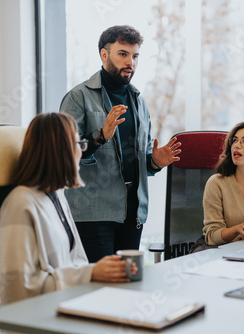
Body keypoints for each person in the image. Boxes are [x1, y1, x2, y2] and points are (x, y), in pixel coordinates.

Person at [60, 25, 181, 262]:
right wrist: (101, 135)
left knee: (128, 283)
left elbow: (140, 161)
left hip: (133, 211)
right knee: (99, 288)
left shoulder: (139, 101)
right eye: (123, 54)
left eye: (135, 56)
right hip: (93, 212)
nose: (131, 63)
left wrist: (154, 162)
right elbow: (66, 153)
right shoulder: (78, 97)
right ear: (104, 55)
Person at [0, 113, 136, 306]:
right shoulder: (20, 205)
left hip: (68, 304)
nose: (80, 152)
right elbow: (19, 290)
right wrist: (91, 273)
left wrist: (99, 272)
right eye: (78, 144)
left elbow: (75, 262)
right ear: (61, 151)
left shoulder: (56, 196)